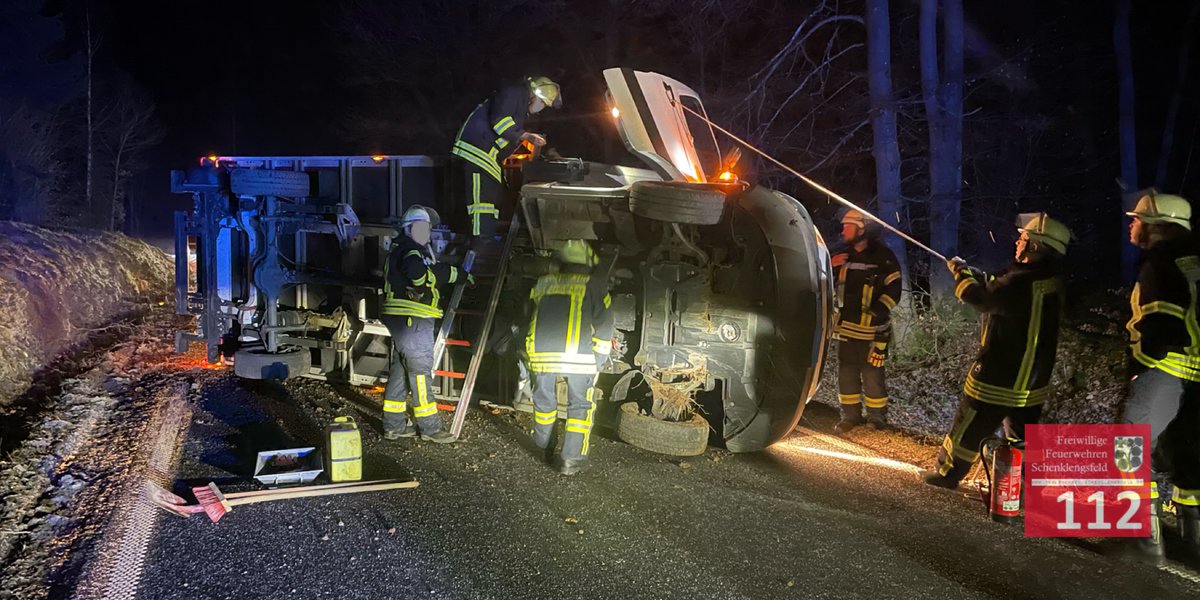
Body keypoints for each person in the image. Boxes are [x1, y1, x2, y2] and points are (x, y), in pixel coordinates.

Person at [922, 212, 1069, 490]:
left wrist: (962, 275)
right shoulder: (1049, 281)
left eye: (1024, 237)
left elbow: (979, 298)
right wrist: (981, 276)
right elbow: (1004, 290)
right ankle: (1029, 487)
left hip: (1000, 373)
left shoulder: (1021, 283)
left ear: (1036, 245)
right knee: (1022, 436)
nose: (1018, 241)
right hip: (1033, 381)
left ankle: (947, 474)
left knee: (970, 424)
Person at [1118, 192, 1200, 564]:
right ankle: (1191, 544)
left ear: (1156, 226)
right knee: (1188, 458)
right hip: (1196, 379)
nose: (1132, 225)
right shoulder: (1193, 260)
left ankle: (1141, 542)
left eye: (1137, 220)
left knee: (1128, 449)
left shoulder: (1161, 264)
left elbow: (1164, 329)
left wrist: (1140, 365)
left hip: (1167, 372)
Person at [524, 240, 613, 475]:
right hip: (578, 357)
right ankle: (570, 460)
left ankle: (543, 448)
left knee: (544, 405)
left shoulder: (543, 283)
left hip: (540, 354)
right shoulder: (594, 285)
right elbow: (604, 328)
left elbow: (528, 314)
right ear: (588, 264)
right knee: (580, 407)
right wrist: (599, 360)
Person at [379, 205, 466, 444]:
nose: (425, 232)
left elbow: (435, 271)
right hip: (413, 319)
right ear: (409, 229)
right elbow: (419, 275)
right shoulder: (412, 251)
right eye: (420, 228)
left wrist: (455, 275)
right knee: (419, 372)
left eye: (426, 228)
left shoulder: (401, 248)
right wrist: (428, 281)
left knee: (400, 369)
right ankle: (429, 428)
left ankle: (394, 425)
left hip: (401, 320)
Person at [451, 76, 561, 245]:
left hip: (488, 156)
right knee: (483, 200)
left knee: (493, 196)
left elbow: (511, 135)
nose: (541, 108)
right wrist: (526, 136)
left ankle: (486, 237)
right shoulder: (513, 94)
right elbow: (499, 122)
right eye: (542, 103)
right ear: (534, 94)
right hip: (477, 150)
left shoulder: (521, 107)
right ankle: (480, 242)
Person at [831, 209, 903, 433]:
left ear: (861, 229)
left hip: (873, 331)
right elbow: (824, 284)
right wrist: (830, 264)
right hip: (846, 329)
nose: (843, 230)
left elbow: (894, 288)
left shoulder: (884, 257)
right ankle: (850, 417)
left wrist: (878, 311)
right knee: (847, 373)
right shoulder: (842, 257)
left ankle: (877, 418)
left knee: (873, 375)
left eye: (847, 226)